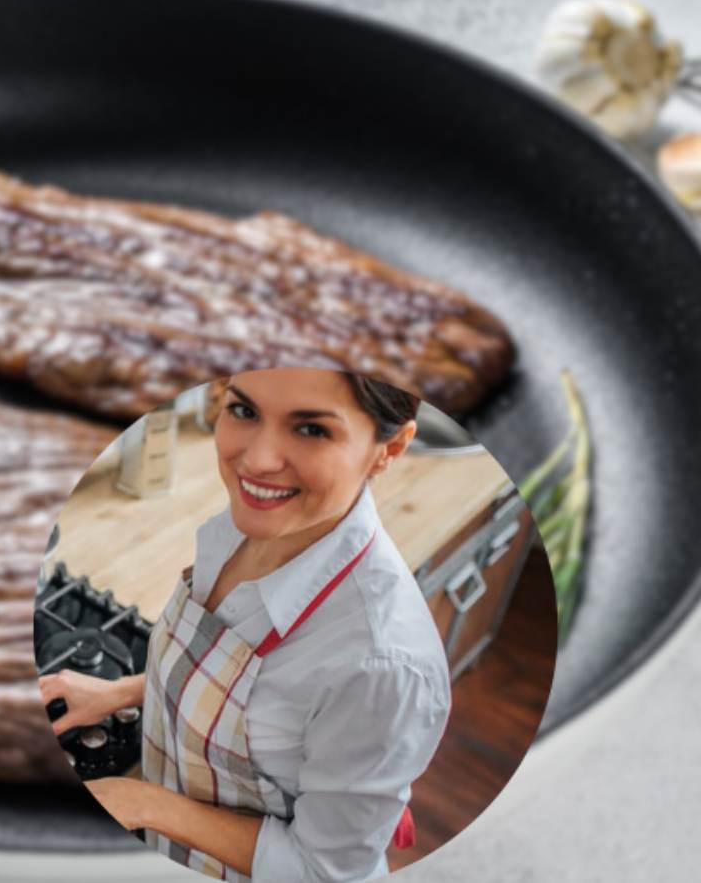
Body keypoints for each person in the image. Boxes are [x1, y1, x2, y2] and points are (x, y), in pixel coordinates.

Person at [39, 367, 452, 882]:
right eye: (244, 410)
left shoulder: (383, 666)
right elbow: (262, 702)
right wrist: (122, 692)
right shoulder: (253, 523)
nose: (255, 460)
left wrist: (140, 802)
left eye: (312, 429)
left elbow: (320, 871)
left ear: (388, 449)